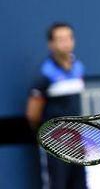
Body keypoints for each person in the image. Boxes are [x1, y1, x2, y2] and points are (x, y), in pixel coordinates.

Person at [25, 22, 86, 189]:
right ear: (51, 44)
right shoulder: (45, 74)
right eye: (60, 39)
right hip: (54, 142)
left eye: (68, 38)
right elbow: (32, 114)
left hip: (77, 141)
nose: (65, 42)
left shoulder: (78, 67)